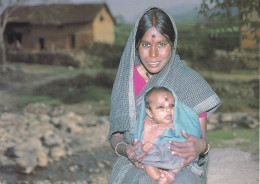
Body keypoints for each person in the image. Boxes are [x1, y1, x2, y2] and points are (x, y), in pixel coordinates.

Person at [108, 7, 221, 184]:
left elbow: (202, 139)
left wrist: (199, 146)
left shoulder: (189, 81)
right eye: (146, 44)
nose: (153, 54)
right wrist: (125, 149)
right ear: (136, 45)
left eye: (161, 44)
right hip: (136, 162)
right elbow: (116, 135)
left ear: (172, 45)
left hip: (181, 162)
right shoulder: (126, 81)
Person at [134, 86, 203, 184]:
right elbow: (140, 142)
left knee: (181, 163)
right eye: (160, 107)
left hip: (174, 157)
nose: (168, 110)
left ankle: (172, 174)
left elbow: (189, 137)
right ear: (149, 112)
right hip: (155, 158)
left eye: (172, 105)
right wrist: (144, 147)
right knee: (147, 163)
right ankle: (159, 178)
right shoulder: (147, 124)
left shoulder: (178, 122)